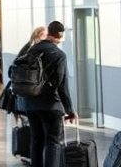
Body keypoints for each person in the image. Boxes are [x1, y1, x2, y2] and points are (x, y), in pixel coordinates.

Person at [21, 21, 77, 167]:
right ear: (59, 35)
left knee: (36, 140)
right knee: (53, 142)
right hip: (50, 105)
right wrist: (69, 109)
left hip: (30, 103)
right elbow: (62, 84)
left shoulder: (31, 51)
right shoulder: (59, 55)